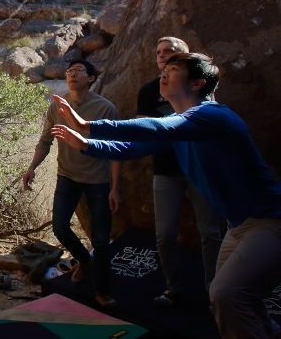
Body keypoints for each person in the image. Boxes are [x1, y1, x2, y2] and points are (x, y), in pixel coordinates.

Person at [51, 53, 281, 339]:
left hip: (269, 222)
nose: (164, 73)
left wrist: (88, 126)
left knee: (226, 295)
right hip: (239, 226)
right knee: (232, 297)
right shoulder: (177, 120)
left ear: (197, 83)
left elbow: (158, 128)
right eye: (165, 68)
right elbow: (130, 149)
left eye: (174, 69)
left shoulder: (214, 116)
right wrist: (86, 143)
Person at [22, 59, 120, 307]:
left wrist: (115, 187)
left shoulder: (105, 108)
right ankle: (85, 262)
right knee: (59, 227)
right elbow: (45, 140)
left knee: (100, 239)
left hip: (98, 181)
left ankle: (103, 292)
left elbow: (115, 151)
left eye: (79, 71)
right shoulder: (57, 106)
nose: (72, 74)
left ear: (91, 78)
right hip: (67, 176)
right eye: (69, 71)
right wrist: (32, 167)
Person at [137, 36, 222, 306]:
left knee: (210, 231)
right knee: (164, 233)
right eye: (159, 52)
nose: (163, 55)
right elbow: (141, 132)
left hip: (199, 168)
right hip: (166, 169)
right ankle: (174, 287)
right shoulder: (149, 91)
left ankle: (214, 291)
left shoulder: (200, 88)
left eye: (171, 52)